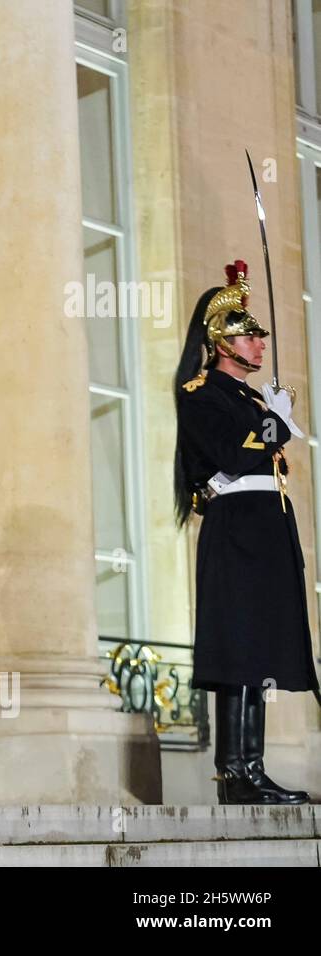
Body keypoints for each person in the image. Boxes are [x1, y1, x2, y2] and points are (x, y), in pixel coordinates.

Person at [173, 260, 317, 805]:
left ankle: (254, 765)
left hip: (267, 531)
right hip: (235, 531)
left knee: (259, 649)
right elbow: (228, 459)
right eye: (248, 336)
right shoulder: (201, 393)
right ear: (220, 341)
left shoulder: (251, 401)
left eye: (258, 336)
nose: (259, 345)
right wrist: (275, 424)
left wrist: (269, 420)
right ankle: (234, 771)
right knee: (237, 648)